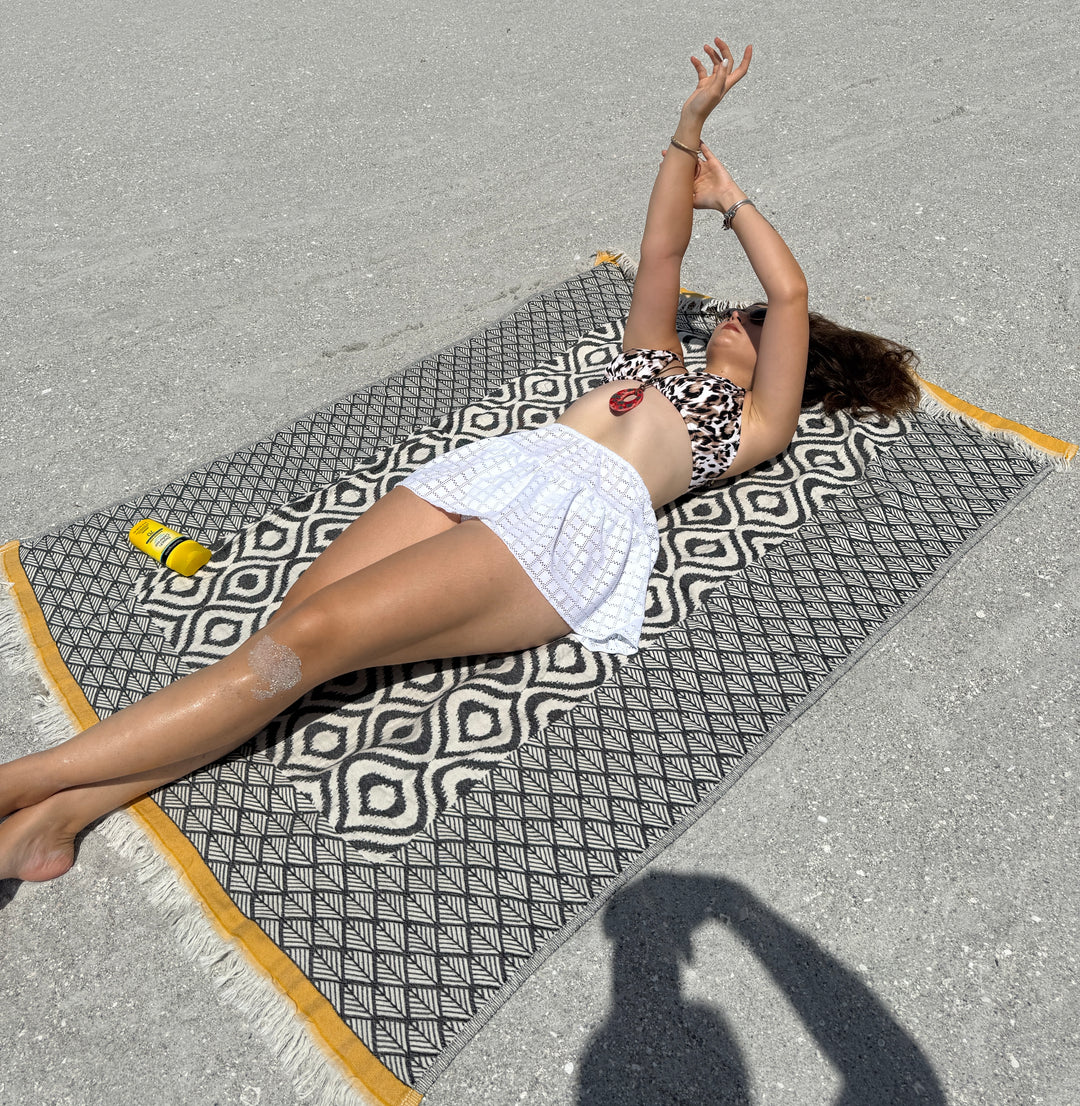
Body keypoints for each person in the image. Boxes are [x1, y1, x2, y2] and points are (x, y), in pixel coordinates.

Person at [0, 37, 918, 883]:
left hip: (566, 527)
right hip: (501, 469)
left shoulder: (752, 424)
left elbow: (789, 290)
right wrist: (687, 130)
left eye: (752, 321)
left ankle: (19, 782)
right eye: (738, 310)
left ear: (794, 364)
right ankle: (60, 820)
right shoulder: (654, 358)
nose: (738, 314)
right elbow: (659, 247)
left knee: (306, 644)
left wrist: (736, 202)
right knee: (283, 640)